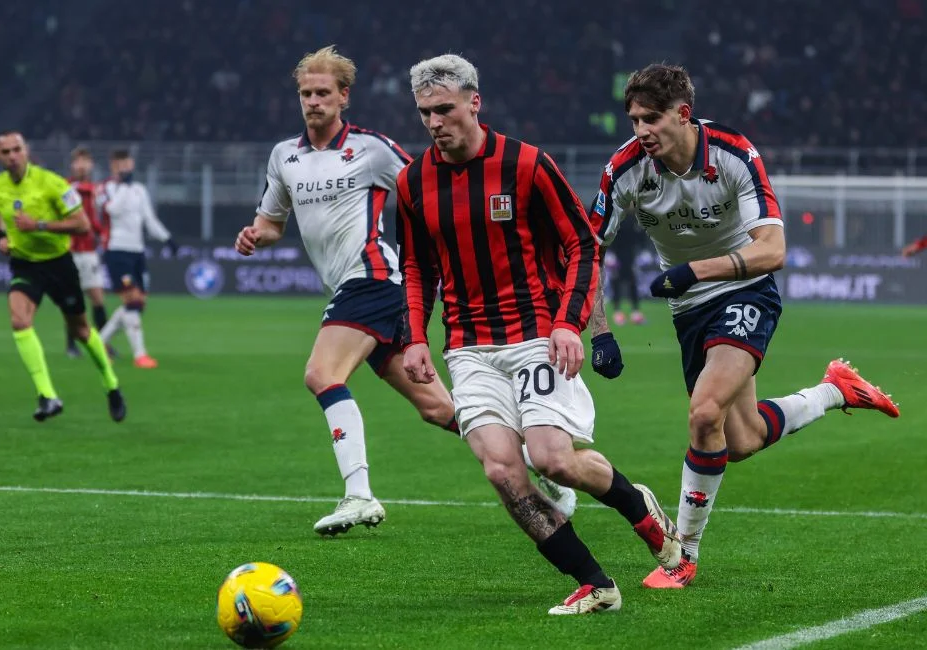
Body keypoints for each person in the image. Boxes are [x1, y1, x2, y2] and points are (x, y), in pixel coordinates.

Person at [234, 45, 576, 537]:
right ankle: (543, 474)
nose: (313, 101)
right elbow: (271, 223)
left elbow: (428, 186)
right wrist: (254, 236)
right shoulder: (284, 157)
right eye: (306, 93)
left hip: (374, 279)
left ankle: (359, 494)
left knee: (321, 373)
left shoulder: (371, 149)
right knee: (438, 408)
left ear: (343, 96)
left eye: (323, 92)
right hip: (359, 290)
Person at [592, 63, 900, 589]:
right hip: (689, 311)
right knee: (739, 438)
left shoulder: (734, 154)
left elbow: (773, 250)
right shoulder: (624, 169)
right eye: (634, 120)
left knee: (703, 411)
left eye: (651, 119)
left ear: (683, 115)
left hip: (744, 290)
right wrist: (598, 331)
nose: (640, 131)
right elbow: (587, 250)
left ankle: (681, 555)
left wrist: (696, 270)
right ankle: (833, 392)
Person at [398, 54, 679, 615]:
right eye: (425, 112)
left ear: (475, 103)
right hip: (468, 349)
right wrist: (414, 337)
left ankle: (639, 507)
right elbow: (415, 269)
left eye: (445, 110)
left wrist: (568, 324)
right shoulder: (412, 182)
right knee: (502, 469)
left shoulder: (527, 165)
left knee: (553, 460)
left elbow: (582, 245)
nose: (434, 123)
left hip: (534, 335)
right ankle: (595, 583)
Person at [0, 131, 126, 422]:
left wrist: (38, 225)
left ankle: (111, 385)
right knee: (19, 320)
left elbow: (82, 224)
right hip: (25, 264)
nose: (12, 156)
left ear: (26, 151)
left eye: (16, 150)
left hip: (59, 264)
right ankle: (47, 396)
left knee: (82, 331)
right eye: (5, 152)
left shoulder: (52, 183)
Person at [98, 149, 175, 369]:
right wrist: (123, 186)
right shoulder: (106, 188)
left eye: (128, 164)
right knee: (131, 301)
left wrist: (167, 239)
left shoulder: (139, 190)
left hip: (137, 252)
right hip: (116, 250)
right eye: (120, 164)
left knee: (139, 304)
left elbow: (149, 219)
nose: (125, 168)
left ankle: (100, 342)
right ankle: (140, 355)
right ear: (113, 166)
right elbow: (111, 210)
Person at [64, 146, 112, 358]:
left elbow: (95, 219)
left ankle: (104, 343)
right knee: (72, 298)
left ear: (91, 165)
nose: (82, 165)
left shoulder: (95, 190)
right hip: (70, 250)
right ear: (72, 165)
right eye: (78, 161)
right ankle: (71, 345)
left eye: (86, 161)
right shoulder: (66, 187)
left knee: (98, 299)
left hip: (89, 250)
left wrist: (102, 234)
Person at [605, 215, 648, 326]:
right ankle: (617, 313)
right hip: (618, 257)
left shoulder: (634, 219)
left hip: (631, 257)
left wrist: (641, 251)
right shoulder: (616, 217)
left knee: (633, 283)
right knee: (617, 284)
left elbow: (640, 237)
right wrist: (611, 254)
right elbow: (610, 236)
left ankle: (635, 313)